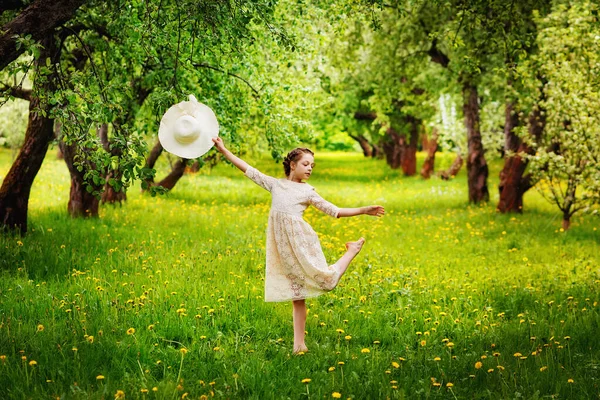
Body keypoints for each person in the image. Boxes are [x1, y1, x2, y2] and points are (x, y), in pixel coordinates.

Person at [212, 137, 385, 353]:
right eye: (305, 164)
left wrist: (364, 209)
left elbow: (335, 211)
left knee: (327, 281)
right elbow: (248, 169)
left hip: (301, 243)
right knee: (297, 296)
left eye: (312, 165)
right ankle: (299, 345)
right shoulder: (276, 185)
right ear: (292, 165)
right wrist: (223, 149)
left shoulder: (307, 191)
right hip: (283, 247)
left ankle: (352, 250)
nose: (310, 168)